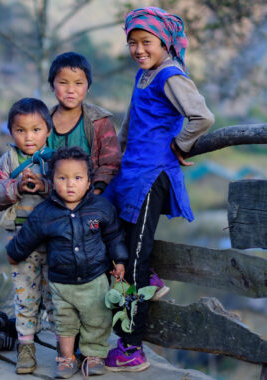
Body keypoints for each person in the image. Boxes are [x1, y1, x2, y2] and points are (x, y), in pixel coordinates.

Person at [102, 7, 215, 373]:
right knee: (108, 230)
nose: (138, 49)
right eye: (132, 42)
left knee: (133, 259)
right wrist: (115, 159)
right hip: (132, 173)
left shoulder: (169, 74)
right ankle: (146, 273)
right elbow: (131, 121)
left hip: (152, 177)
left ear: (164, 42)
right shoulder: (144, 75)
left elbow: (203, 117)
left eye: (146, 41)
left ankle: (131, 348)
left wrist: (180, 145)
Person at [7, 146, 128, 378]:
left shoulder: (101, 208)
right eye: (62, 178)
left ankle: (93, 356)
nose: (70, 184)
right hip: (61, 284)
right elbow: (27, 235)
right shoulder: (45, 212)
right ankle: (66, 358)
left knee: (97, 319)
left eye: (77, 178)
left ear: (89, 180)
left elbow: (114, 236)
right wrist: (13, 252)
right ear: (51, 180)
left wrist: (120, 261)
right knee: (65, 324)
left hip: (94, 279)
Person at [0, 51, 121, 196]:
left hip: (91, 199)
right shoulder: (41, 123)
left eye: (78, 83)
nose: (70, 90)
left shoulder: (99, 121)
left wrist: (95, 192)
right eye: (63, 83)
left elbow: (110, 163)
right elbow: (23, 157)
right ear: (52, 85)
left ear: (88, 87)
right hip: (48, 199)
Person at [0, 97, 55, 374]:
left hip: (54, 241)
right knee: (25, 295)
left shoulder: (55, 158)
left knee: (56, 297)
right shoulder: (8, 159)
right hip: (21, 241)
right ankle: (26, 349)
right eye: (21, 130)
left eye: (36, 130)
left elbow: (69, 189)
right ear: (11, 131)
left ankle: (67, 347)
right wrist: (14, 187)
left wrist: (44, 185)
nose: (29, 137)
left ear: (48, 131)